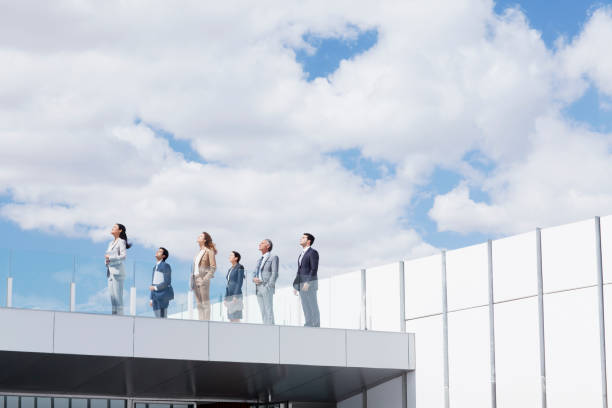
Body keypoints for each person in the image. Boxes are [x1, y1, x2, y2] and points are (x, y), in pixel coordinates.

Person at [293, 233, 320, 327]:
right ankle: (308, 323)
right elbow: (299, 270)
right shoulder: (301, 254)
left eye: (303, 237)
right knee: (305, 305)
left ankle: (315, 324)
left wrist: (308, 282)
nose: (301, 238)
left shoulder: (313, 252)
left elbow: (314, 269)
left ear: (309, 241)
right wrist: (296, 285)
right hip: (300, 284)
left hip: (310, 284)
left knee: (312, 304)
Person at [105, 223, 131, 315]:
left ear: (120, 230)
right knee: (112, 298)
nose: (112, 228)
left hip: (118, 272)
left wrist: (110, 258)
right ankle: (114, 317)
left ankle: (120, 318)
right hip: (110, 272)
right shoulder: (110, 243)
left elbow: (123, 256)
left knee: (118, 297)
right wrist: (107, 261)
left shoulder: (121, 241)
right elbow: (108, 256)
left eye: (114, 227)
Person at [191, 231, 217, 320]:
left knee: (205, 303)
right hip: (195, 279)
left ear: (205, 240)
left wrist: (205, 279)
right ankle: (201, 323)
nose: (198, 237)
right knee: (199, 304)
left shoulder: (209, 251)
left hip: (203, 279)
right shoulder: (198, 253)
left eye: (201, 236)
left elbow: (213, 268)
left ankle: (206, 324)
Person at [253, 239, 279, 325]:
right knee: (262, 311)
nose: (260, 244)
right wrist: (254, 278)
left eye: (262, 243)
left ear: (268, 246)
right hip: (258, 287)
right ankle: (265, 328)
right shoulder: (258, 260)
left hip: (266, 286)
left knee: (268, 310)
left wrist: (269, 285)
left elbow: (275, 273)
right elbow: (254, 273)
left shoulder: (273, 257)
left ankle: (271, 329)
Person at [149, 247, 174, 318]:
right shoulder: (154, 267)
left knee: (162, 318)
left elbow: (167, 282)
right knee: (157, 318)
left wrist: (155, 287)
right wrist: (151, 298)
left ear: (163, 256)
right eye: (158, 251)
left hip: (163, 295)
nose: (157, 252)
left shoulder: (166, 266)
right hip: (155, 296)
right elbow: (153, 283)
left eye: (160, 251)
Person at [224, 251, 245, 322]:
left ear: (236, 258)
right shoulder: (230, 269)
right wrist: (225, 297)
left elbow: (239, 282)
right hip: (229, 296)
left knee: (236, 317)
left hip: (236, 296)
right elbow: (228, 284)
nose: (229, 257)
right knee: (230, 318)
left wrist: (236, 296)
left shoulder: (240, 267)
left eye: (231, 255)